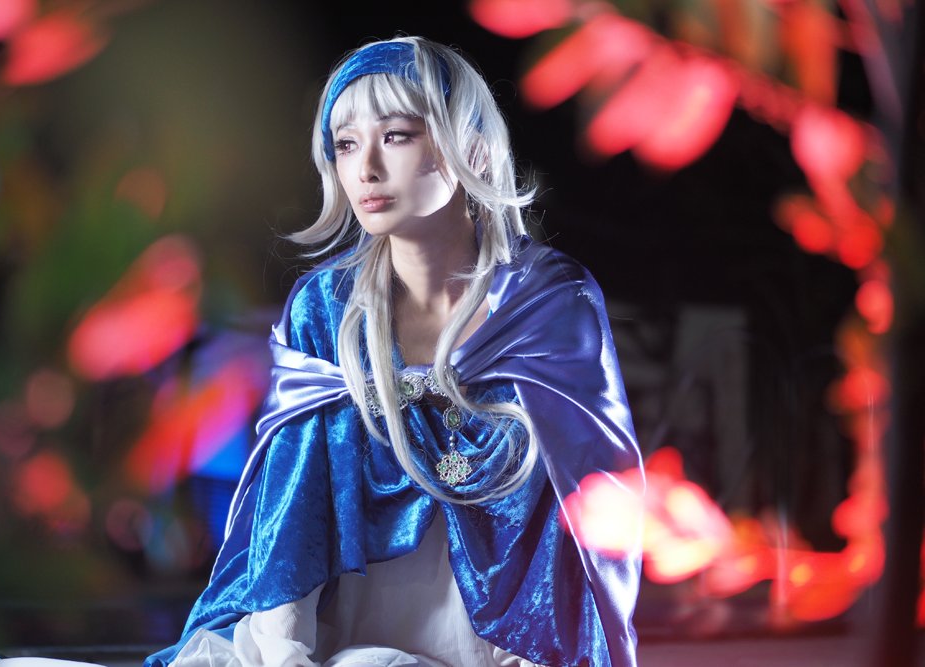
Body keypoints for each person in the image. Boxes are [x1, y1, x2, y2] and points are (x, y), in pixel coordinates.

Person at [146, 36, 644, 667]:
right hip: (334, 633)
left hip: (504, 644)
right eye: (345, 145)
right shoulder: (325, 308)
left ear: (471, 147)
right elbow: (292, 505)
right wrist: (287, 658)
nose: (366, 169)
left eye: (397, 136)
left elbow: (587, 498)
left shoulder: (547, 303)